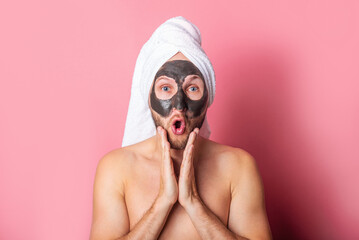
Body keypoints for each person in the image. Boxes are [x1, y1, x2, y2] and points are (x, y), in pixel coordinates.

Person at [90, 16, 272, 240]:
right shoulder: (116, 169)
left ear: (208, 98)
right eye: (165, 88)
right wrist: (162, 203)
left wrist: (194, 203)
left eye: (192, 88)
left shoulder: (238, 167)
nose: (179, 105)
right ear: (149, 98)